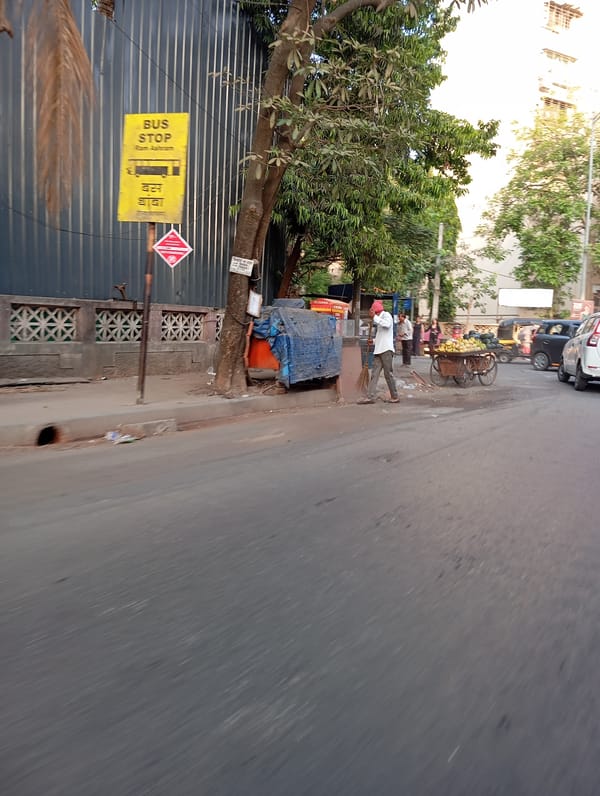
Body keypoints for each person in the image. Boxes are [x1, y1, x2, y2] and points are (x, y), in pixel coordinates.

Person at [357, 299, 399, 404]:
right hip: (378, 350)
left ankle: (395, 396)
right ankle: (370, 396)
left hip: (386, 350)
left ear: (377, 311)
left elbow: (387, 325)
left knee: (388, 374)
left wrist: (374, 317)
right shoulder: (379, 319)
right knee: (374, 374)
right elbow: (381, 336)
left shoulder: (387, 316)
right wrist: (373, 341)